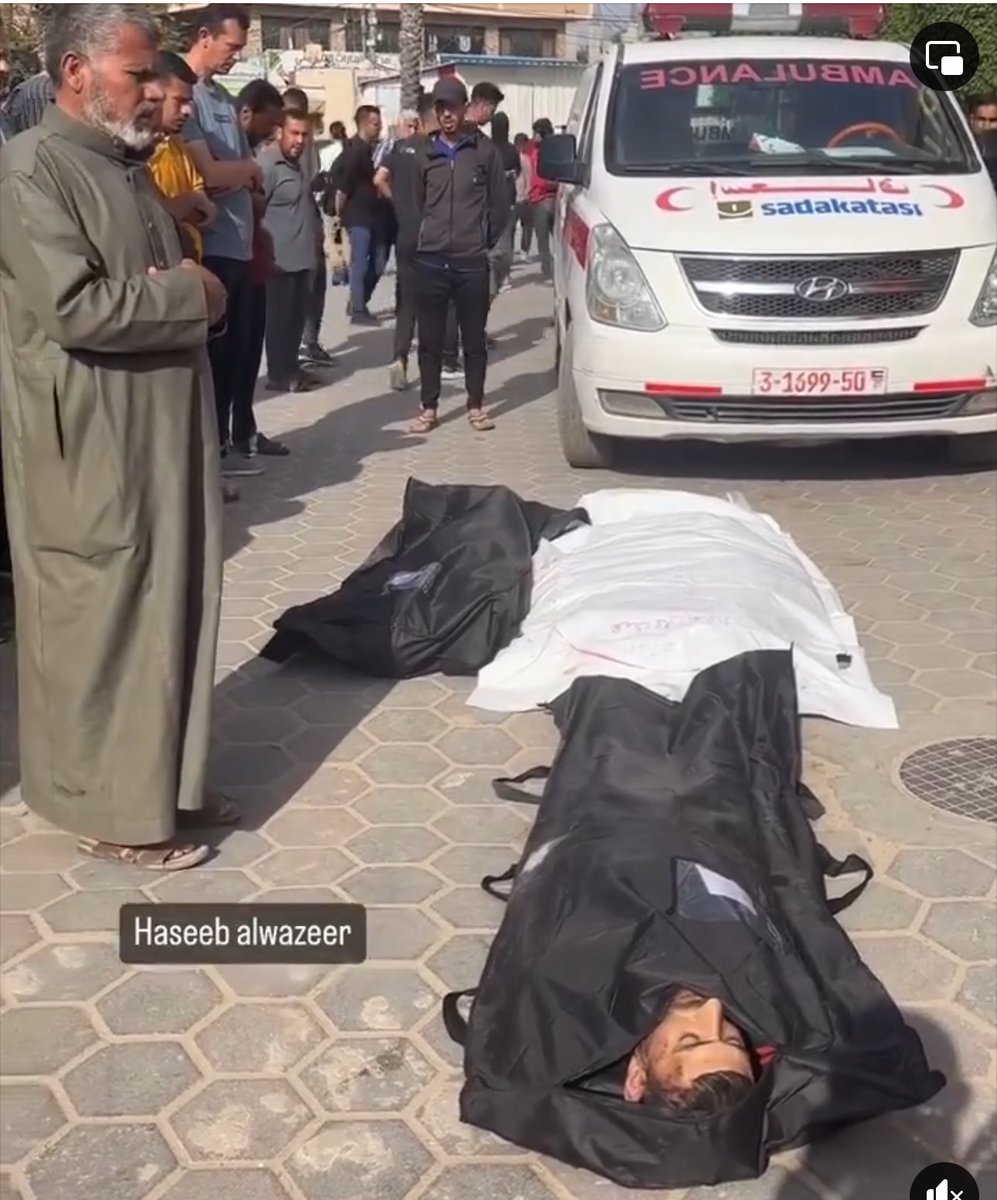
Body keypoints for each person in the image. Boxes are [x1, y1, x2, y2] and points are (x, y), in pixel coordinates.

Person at [0, 3, 231, 871]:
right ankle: (114, 814)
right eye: (137, 76)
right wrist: (195, 295)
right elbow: (76, 306)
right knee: (106, 620)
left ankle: (168, 783)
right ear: (75, 73)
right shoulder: (30, 171)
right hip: (91, 437)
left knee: (174, 602)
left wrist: (181, 288)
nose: (151, 92)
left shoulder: (124, 164)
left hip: (160, 422)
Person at [182, 4, 267, 478]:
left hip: (240, 245)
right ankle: (209, 463)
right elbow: (209, 176)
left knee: (236, 358)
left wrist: (242, 176)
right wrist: (249, 171)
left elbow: (233, 173)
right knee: (212, 363)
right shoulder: (185, 97)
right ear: (204, 36)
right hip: (210, 247)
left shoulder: (221, 97)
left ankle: (225, 451)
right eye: (231, 46)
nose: (236, 56)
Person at [410, 77, 506, 434]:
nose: (447, 114)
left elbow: (500, 203)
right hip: (432, 261)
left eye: (453, 106)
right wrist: (428, 234)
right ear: (436, 111)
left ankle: (476, 405)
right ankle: (429, 406)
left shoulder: (484, 152)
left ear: (465, 108)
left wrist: (481, 239)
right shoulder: (426, 152)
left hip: (471, 263)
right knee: (431, 340)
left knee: (474, 339)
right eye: (441, 108)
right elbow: (417, 203)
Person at [233, 78, 290, 459]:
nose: (271, 135)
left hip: (252, 263)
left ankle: (245, 431)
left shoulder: (246, 152)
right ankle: (230, 440)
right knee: (233, 358)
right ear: (246, 112)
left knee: (250, 355)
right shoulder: (226, 149)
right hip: (230, 264)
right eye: (267, 126)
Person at [259, 109, 322, 393]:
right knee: (279, 320)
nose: (299, 140)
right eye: (294, 133)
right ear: (279, 132)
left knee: (296, 318)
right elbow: (255, 209)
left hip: (302, 258)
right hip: (278, 261)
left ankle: (292, 368)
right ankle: (278, 374)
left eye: (304, 134)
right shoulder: (267, 165)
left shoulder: (296, 164)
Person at [147, 53, 216, 265]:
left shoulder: (177, 146)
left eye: (189, 102)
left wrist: (188, 205)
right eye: (179, 102)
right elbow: (156, 215)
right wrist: (191, 201)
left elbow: (206, 213)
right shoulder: (138, 156)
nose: (187, 111)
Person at [282, 86, 334, 366]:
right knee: (298, 290)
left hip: (308, 218)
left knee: (315, 284)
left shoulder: (306, 143)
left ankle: (308, 343)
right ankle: (298, 349)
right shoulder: (272, 149)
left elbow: (311, 180)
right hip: (289, 228)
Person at [330, 103, 386, 325]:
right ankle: (358, 310)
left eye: (379, 123)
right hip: (358, 215)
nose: (379, 127)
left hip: (372, 215)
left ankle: (357, 301)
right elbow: (342, 187)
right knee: (360, 262)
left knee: (377, 262)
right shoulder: (355, 151)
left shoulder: (371, 149)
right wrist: (338, 216)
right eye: (375, 123)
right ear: (363, 124)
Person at [487, 111, 520, 299]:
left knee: (491, 242)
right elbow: (518, 171)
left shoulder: (488, 148)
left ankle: (492, 280)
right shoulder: (511, 149)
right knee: (508, 239)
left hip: (490, 200)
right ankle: (505, 277)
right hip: (508, 199)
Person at [524, 117, 557, 280]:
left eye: (535, 133)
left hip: (539, 199)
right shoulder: (555, 150)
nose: (533, 136)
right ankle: (557, 270)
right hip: (554, 198)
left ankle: (548, 271)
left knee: (543, 240)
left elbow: (534, 177)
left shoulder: (535, 152)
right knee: (556, 238)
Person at [513, 131, 533, 259]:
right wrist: (528, 193)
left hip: (511, 198)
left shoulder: (506, 158)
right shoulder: (525, 159)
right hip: (523, 198)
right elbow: (529, 177)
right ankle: (524, 251)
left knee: (510, 228)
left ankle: (510, 251)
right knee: (527, 226)